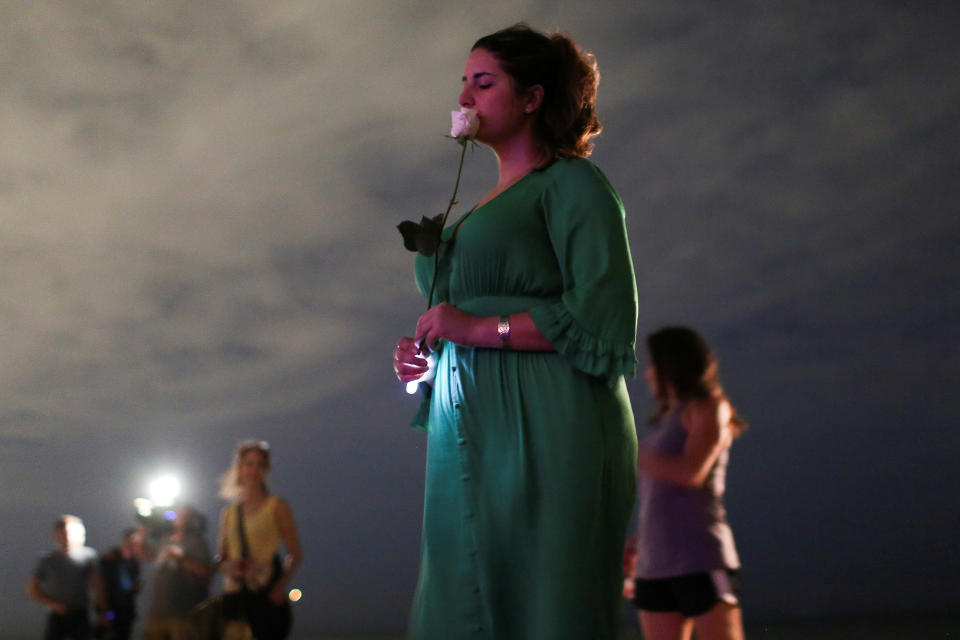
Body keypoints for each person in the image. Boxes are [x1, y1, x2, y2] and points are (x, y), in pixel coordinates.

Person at [392, 23, 639, 640]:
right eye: (463, 85)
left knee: (546, 600)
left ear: (531, 98)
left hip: (550, 417)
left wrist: (475, 327)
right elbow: (457, 320)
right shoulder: (475, 208)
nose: (466, 98)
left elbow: (601, 320)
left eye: (484, 82)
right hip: (468, 426)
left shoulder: (572, 184)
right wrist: (428, 355)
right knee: (460, 591)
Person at [625, 327, 747, 640]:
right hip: (653, 566)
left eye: (652, 365)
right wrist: (641, 541)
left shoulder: (710, 408)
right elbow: (664, 496)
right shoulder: (666, 422)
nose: (648, 374)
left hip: (699, 558)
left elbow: (692, 472)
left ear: (670, 367)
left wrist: (628, 450)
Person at [216, 440, 302, 640]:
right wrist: (229, 567)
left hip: (265, 591)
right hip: (235, 596)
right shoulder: (229, 513)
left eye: (259, 464)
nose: (253, 470)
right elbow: (221, 557)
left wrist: (281, 585)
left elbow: (295, 553)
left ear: (266, 469)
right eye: (248, 463)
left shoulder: (276, 506)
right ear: (239, 468)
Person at [28, 515, 106, 640]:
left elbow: (97, 586)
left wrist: (104, 612)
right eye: (66, 532)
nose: (70, 537)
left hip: (80, 613)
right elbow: (33, 590)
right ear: (57, 534)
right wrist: (54, 605)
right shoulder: (46, 560)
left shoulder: (88, 556)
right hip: (56, 614)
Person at [141, 505, 212, 640]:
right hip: (158, 612)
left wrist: (180, 559)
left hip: (184, 613)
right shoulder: (165, 540)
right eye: (179, 515)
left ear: (192, 520)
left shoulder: (197, 542)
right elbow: (145, 556)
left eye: (185, 516)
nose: (181, 519)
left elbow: (205, 573)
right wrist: (142, 534)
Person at [96, 528, 142, 640]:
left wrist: (134, 588)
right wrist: (103, 610)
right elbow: (100, 583)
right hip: (110, 609)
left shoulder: (134, 561)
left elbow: (130, 586)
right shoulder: (111, 557)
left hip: (126, 611)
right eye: (131, 540)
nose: (133, 544)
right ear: (125, 540)